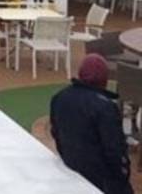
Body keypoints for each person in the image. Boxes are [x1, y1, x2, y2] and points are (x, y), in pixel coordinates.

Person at [50, 54, 133, 194]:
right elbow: (114, 151)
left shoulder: (59, 97)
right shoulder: (105, 107)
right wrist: (123, 176)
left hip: (70, 163)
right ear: (104, 80)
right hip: (99, 177)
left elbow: (55, 133)